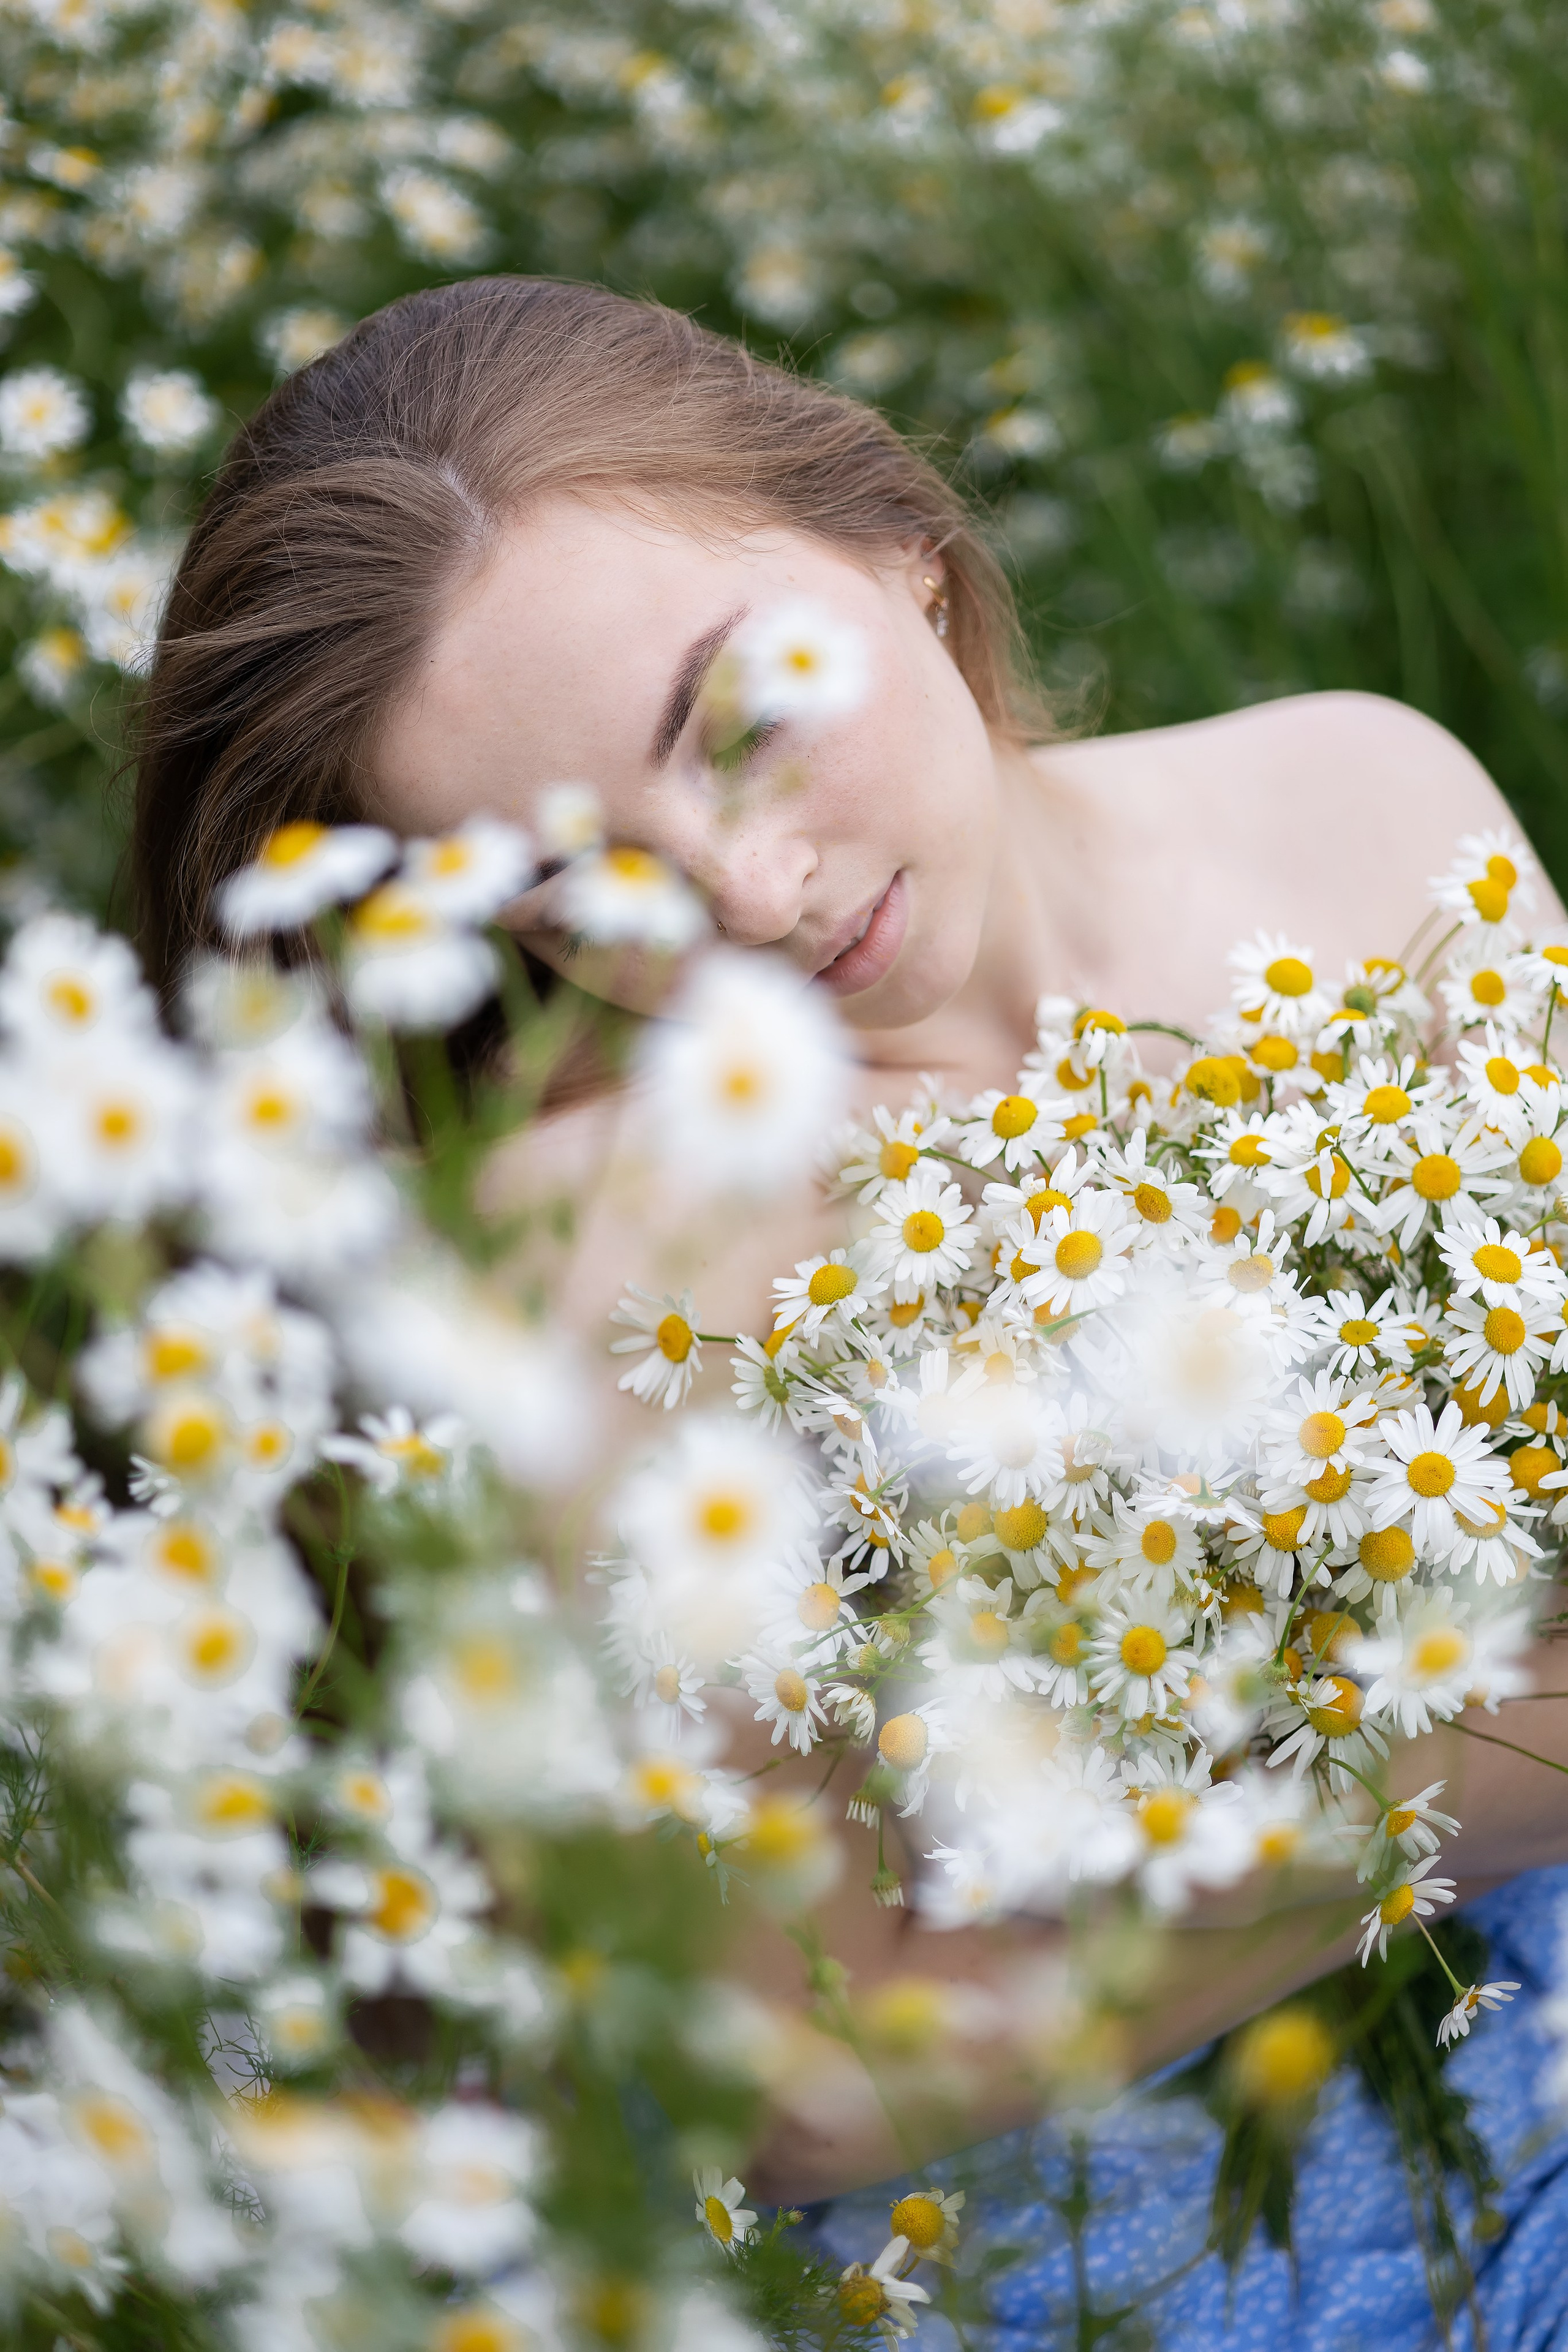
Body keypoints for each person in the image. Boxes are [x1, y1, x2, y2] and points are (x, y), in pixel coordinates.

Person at [133, 276, 1568, 2338]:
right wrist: (1459, 1780)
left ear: (896, 539)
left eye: (743, 719)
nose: (738, 896)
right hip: (1117, 2203)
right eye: (569, 883)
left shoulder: (1362, 797)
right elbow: (801, 2094)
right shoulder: (616, 1258)